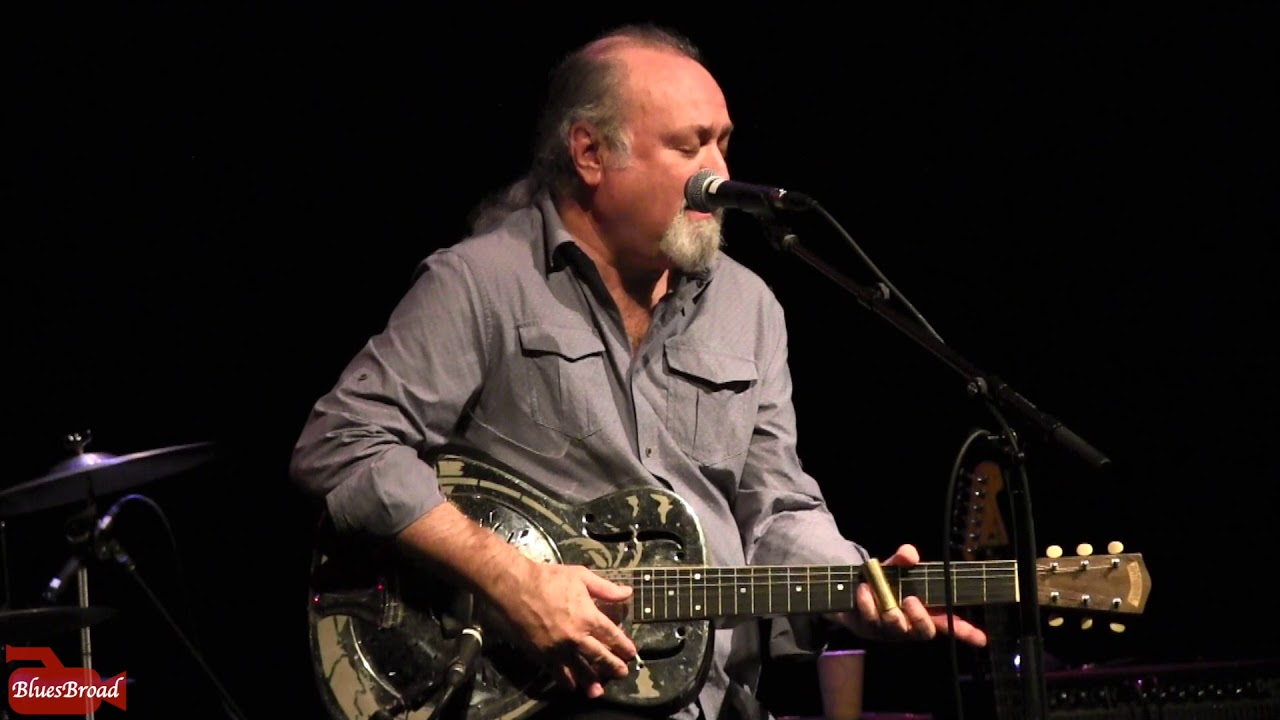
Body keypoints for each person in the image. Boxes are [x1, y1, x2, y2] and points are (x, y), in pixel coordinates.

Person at [289, 22, 987, 720]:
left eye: (723, 141)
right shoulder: (480, 283)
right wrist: (513, 580)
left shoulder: (749, 307)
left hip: (715, 701)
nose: (718, 174)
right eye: (689, 146)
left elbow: (775, 508)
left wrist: (848, 586)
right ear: (590, 152)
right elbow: (341, 443)